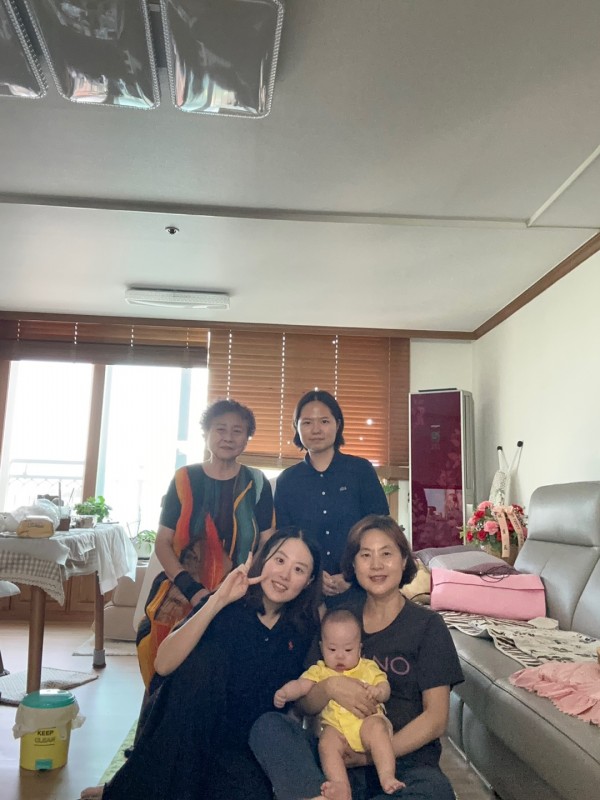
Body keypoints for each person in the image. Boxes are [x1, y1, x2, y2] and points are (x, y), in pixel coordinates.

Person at [80, 527, 323, 800]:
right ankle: (133, 784)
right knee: (203, 662)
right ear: (263, 559)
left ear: (309, 581)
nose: (284, 575)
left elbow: (302, 700)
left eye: (299, 570)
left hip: (246, 745)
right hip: (192, 729)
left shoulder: (305, 629)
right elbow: (164, 664)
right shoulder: (228, 604)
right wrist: (218, 600)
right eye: (279, 560)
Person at [250, 514, 464, 800]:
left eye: (386, 554)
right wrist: (329, 687)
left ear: (404, 561)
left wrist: (369, 757)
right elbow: (303, 706)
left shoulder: (427, 626)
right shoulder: (339, 619)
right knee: (269, 727)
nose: (376, 565)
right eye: (365, 555)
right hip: (333, 762)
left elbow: (436, 718)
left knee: (435, 792)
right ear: (353, 564)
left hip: (403, 765)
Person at [137, 398, 274, 687]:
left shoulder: (257, 482)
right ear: (206, 434)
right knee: (156, 636)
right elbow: (163, 542)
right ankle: (160, 705)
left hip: (240, 589)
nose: (228, 437)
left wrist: (241, 584)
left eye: (237, 431)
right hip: (182, 586)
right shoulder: (184, 478)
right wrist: (192, 589)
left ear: (247, 438)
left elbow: (267, 542)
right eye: (220, 429)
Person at [274, 608, 405, 800]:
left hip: (366, 723)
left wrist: (379, 692)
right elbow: (302, 686)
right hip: (336, 730)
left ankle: (387, 776)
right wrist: (285, 692)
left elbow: (384, 686)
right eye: (332, 650)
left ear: (359, 648)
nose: (340, 656)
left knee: (378, 730)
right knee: (326, 743)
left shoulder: (367, 668)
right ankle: (341, 787)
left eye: (348, 650)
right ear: (322, 648)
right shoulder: (320, 671)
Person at [275, 390, 389, 600]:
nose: (316, 429)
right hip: (303, 591)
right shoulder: (288, 480)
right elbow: (285, 540)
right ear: (296, 428)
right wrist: (313, 577)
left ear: (338, 424)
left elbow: (380, 529)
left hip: (360, 588)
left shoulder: (360, 471)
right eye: (307, 422)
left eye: (324, 421)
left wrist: (350, 576)